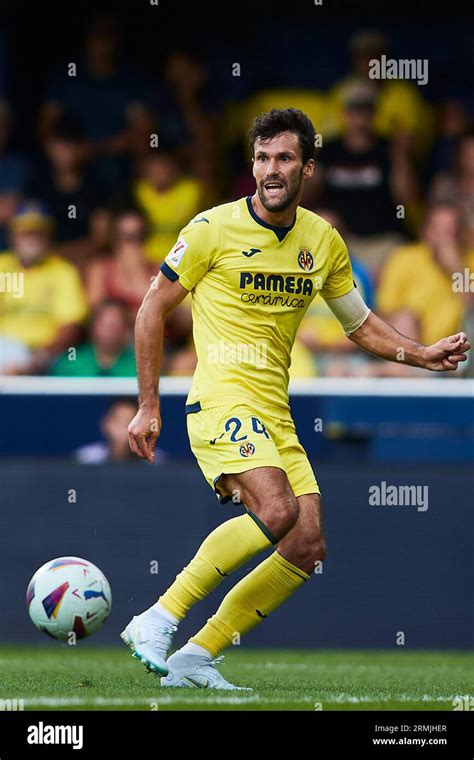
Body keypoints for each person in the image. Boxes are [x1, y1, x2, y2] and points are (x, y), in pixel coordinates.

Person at [122, 109, 470, 690]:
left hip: (274, 413)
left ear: (307, 167)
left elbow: (358, 325)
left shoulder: (322, 241)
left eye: (284, 158)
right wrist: (148, 404)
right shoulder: (211, 229)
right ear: (251, 166)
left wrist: (420, 354)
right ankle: (159, 617)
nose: (271, 170)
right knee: (276, 511)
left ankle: (195, 657)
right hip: (220, 398)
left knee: (306, 545)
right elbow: (150, 309)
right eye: (261, 158)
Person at [0, 201, 87, 374]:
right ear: (13, 236)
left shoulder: (63, 271)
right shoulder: (2, 266)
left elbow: (70, 326)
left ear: (49, 236)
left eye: (39, 233)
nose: (33, 239)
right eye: (26, 233)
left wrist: (42, 355)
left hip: (48, 354)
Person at [377, 203, 474, 348]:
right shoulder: (404, 257)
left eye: (451, 232)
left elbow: (471, 309)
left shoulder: (469, 261)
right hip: (411, 349)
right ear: (425, 232)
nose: (445, 240)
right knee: (405, 319)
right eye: (439, 231)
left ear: (462, 234)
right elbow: (384, 313)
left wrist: (456, 270)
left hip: (457, 352)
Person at [50, 299, 136, 377]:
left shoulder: (137, 364)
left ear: (126, 329)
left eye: (115, 324)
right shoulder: (72, 360)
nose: (110, 330)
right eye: (105, 324)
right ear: (93, 327)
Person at [74, 398, 164, 464]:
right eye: (117, 420)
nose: (122, 427)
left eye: (129, 422)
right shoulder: (85, 459)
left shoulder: (157, 462)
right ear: (105, 423)